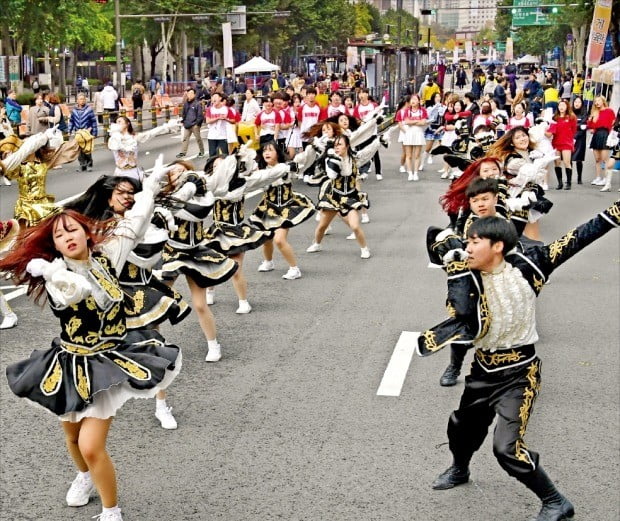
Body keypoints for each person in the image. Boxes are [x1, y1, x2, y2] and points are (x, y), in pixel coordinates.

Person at [0, 157, 181, 521]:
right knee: (71, 437)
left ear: (86, 231)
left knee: (91, 444)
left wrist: (152, 187)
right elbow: (71, 293)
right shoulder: (57, 276)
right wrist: (52, 273)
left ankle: (111, 511)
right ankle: (84, 476)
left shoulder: (106, 256)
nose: (66, 237)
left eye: (72, 230)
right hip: (68, 362)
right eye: (58, 235)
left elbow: (134, 223)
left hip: (106, 363)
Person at [417, 201, 620, 521]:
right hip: (482, 368)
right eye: (467, 241)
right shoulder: (466, 275)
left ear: (497, 246)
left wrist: (613, 214)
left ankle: (555, 501)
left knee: (507, 448)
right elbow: (462, 319)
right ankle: (460, 468)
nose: (467, 247)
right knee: (461, 428)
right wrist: (454, 268)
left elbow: (581, 235)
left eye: (474, 242)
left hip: (520, 372)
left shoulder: (532, 263)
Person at [65, 174, 189, 430]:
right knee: (95, 351)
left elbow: (150, 257)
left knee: (154, 347)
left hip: (141, 293)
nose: (127, 197)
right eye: (121, 192)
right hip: (108, 295)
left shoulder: (148, 219)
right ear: (108, 196)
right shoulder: (95, 226)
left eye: (131, 192)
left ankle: (161, 405)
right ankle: (93, 405)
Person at [160, 158, 239, 362]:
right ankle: (155, 348)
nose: (177, 172)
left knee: (200, 305)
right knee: (157, 303)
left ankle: (213, 345)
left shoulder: (202, 196)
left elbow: (199, 210)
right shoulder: (164, 198)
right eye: (173, 170)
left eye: (182, 170)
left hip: (194, 252)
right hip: (171, 253)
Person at [202, 146, 292, 313]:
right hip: (216, 231)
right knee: (212, 265)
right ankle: (210, 290)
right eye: (215, 167)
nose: (219, 170)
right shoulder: (208, 185)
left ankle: (243, 302)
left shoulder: (242, 182)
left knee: (235, 268)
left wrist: (285, 167)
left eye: (223, 166)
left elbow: (266, 176)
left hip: (236, 232)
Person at [306, 132, 380, 259]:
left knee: (355, 226)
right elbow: (329, 168)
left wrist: (379, 141)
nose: (337, 147)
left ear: (347, 146)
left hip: (350, 198)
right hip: (334, 197)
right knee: (322, 226)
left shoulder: (355, 159)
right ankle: (317, 243)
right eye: (335, 145)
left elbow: (369, 151)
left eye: (339, 144)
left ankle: (364, 248)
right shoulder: (332, 158)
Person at [250, 141, 315, 279]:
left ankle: (294, 268)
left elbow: (303, 164)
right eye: (264, 151)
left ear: (278, 153)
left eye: (270, 150)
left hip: (285, 207)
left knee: (279, 240)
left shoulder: (286, 167)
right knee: (266, 238)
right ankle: (268, 262)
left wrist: (307, 153)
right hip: (268, 208)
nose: (267, 153)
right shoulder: (261, 171)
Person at [0, 128, 81, 226]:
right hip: (26, 208)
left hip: (43, 204)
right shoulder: (19, 167)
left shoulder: (43, 164)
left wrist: (78, 140)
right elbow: (8, 170)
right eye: (25, 144)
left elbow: (62, 152)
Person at [108, 116, 181, 180]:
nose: (117, 124)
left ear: (127, 123)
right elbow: (115, 146)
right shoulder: (114, 139)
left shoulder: (134, 138)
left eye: (120, 121)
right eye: (116, 122)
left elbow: (151, 133)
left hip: (133, 172)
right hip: (119, 173)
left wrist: (167, 127)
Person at [587, 96, 615, 186]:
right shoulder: (595, 112)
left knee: (604, 159)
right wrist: (590, 121)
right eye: (595, 101)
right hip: (596, 134)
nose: (597, 103)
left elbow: (613, 123)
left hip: (605, 134)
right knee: (597, 159)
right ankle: (598, 177)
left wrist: (612, 136)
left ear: (603, 101)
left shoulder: (609, 111)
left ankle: (606, 178)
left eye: (598, 100)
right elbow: (590, 126)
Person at [549, 100, 577, 190]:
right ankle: (560, 183)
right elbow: (551, 130)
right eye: (560, 105)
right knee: (557, 163)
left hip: (566, 142)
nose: (561, 107)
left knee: (566, 162)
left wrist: (570, 139)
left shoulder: (571, 117)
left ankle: (568, 183)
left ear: (567, 106)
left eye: (563, 105)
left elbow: (574, 130)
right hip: (556, 142)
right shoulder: (555, 118)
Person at [68, 93, 98, 172]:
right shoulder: (74, 110)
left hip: (87, 132)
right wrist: (69, 130)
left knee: (87, 149)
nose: (82, 101)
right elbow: (71, 121)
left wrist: (94, 132)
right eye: (80, 99)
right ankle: (82, 165)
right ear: (77, 101)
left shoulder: (89, 110)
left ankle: (89, 164)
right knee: (79, 150)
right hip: (78, 133)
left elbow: (93, 121)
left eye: (83, 99)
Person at [176, 87, 205, 159]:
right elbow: (184, 113)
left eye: (192, 93)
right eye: (189, 93)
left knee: (198, 139)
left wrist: (197, 124)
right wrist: (183, 121)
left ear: (194, 94)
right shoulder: (186, 104)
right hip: (187, 124)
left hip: (195, 124)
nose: (190, 95)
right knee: (185, 138)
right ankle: (183, 152)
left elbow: (200, 115)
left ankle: (202, 151)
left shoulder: (197, 104)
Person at [204, 92, 232, 157]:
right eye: (213, 97)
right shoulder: (209, 109)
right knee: (212, 155)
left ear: (220, 98)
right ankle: (213, 166)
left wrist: (226, 119)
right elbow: (207, 121)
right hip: (212, 136)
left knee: (224, 155)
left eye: (215, 97)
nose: (214, 99)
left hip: (222, 136)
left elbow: (233, 120)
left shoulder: (226, 109)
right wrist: (218, 118)